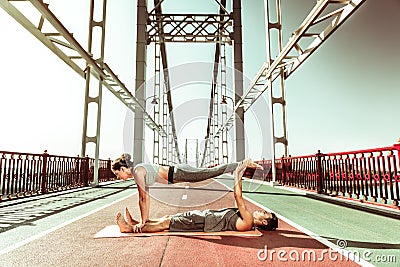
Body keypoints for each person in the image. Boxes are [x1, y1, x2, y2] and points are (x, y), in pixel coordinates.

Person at [115, 160, 278, 233]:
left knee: (209, 173)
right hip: (180, 180)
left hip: (180, 176)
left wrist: (238, 173)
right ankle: (138, 224)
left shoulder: (137, 171)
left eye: (117, 174)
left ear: (123, 169)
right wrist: (143, 219)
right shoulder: (138, 171)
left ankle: (131, 228)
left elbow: (144, 198)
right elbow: (144, 198)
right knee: (167, 218)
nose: (118, 178)